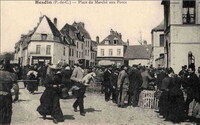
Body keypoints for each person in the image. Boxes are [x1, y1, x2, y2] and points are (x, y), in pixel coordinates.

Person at [0, 59, 18, 125]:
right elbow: (16, 88)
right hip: (7, 96)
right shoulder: (12, 75)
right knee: (7, 114)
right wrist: (16, 97)